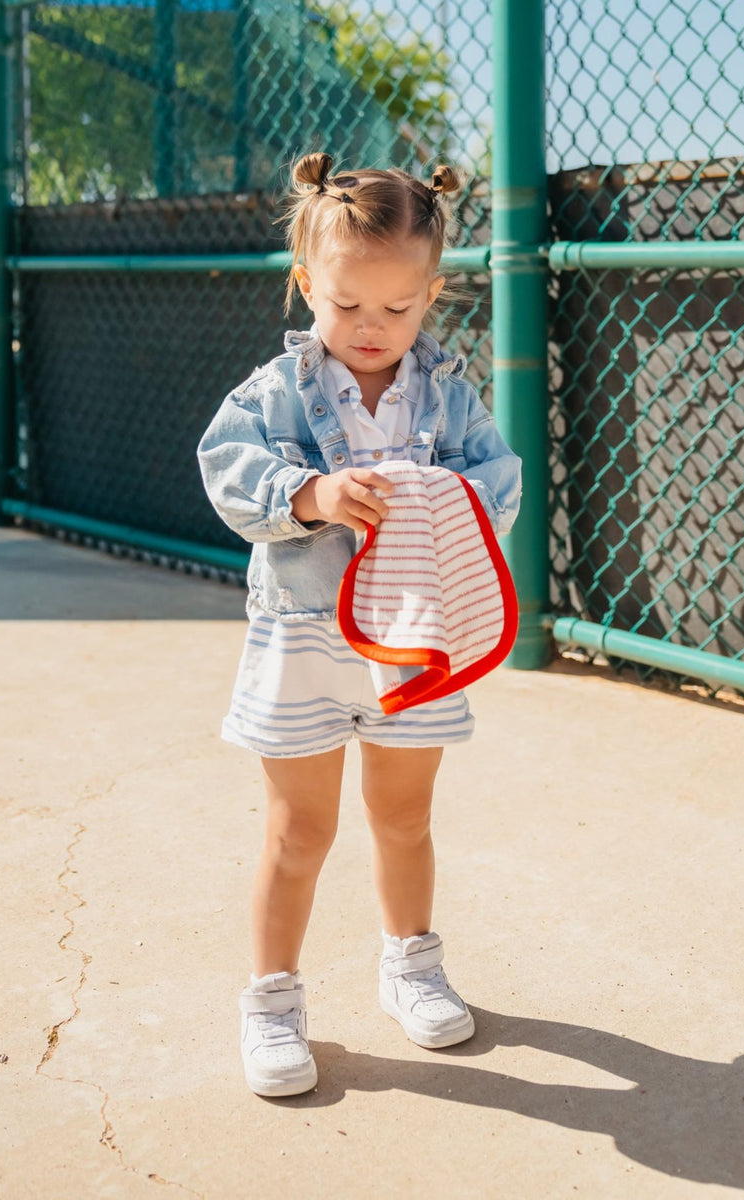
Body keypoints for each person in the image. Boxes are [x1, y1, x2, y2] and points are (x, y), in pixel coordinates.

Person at [197, 151, 522, 1098]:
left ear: (432, 294)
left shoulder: (450, 398)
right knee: (298, 830)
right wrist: (311, 493)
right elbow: (225, 466)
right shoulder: (277, 392)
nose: (370, 329)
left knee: (406, 815)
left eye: (397, 307)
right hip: (303, 641)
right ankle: (271, 1001)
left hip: (415, 640)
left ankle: (410, 967)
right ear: (307, 286)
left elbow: (496, 485)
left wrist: (440, 499)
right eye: (346, 307)